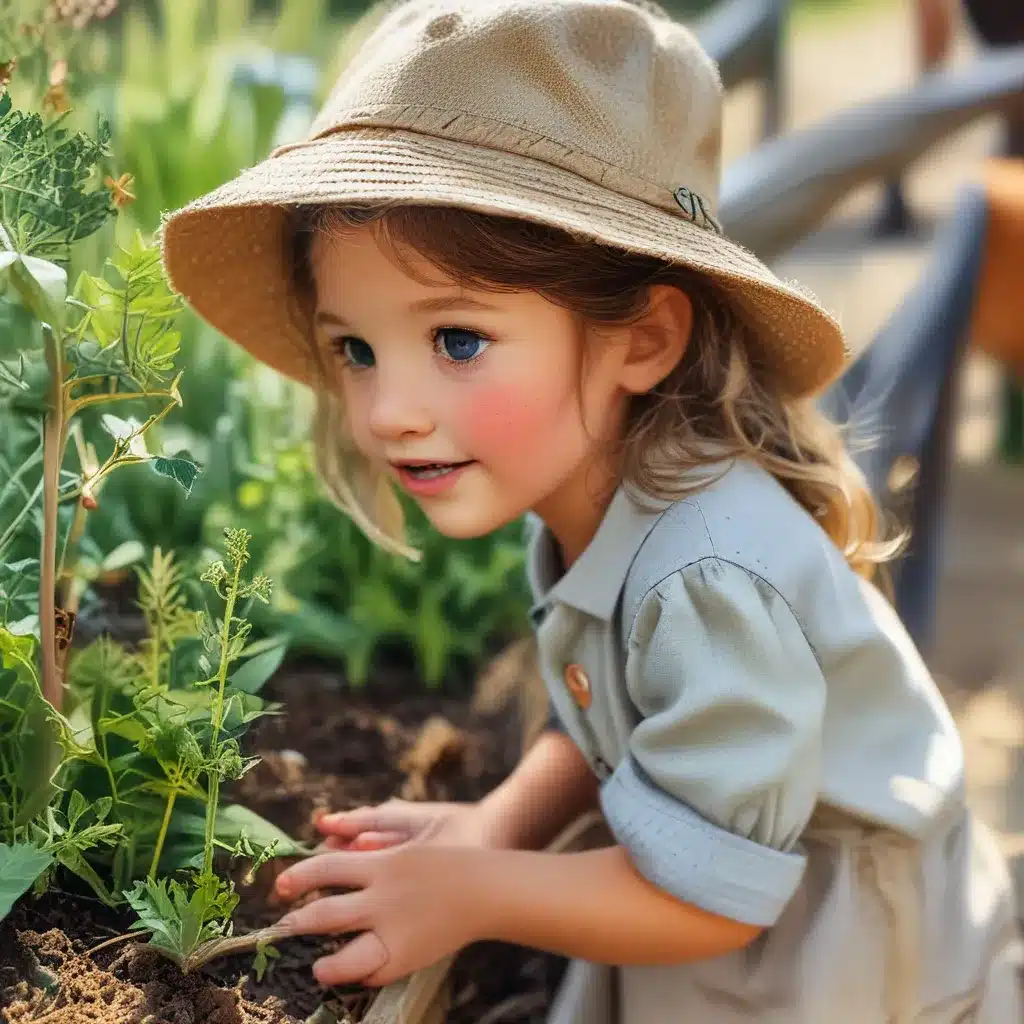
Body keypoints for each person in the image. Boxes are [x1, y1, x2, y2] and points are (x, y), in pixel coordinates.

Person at [160, 0, 1023, 1019]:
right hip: (743, 928)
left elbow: (712, 897)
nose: (389, 411)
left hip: (848, 975)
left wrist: (474, 892)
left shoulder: (705, 570)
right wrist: (493, 828)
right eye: (355, 348)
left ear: (643, 341)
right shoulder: (603, 490)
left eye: (458, 341)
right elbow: (619, 712)